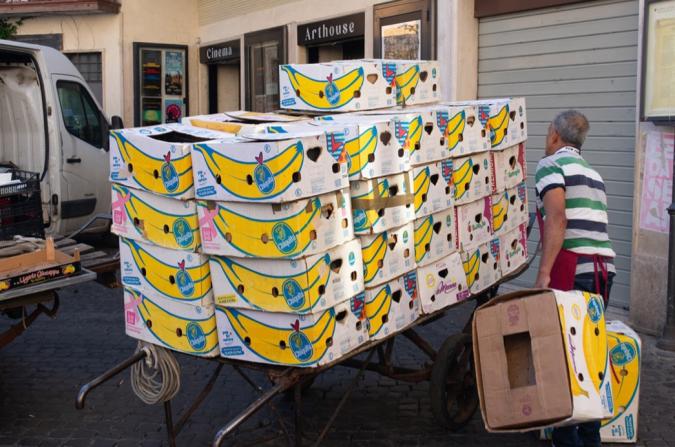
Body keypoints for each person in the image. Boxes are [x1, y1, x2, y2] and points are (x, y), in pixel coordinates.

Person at [534, 110, 616, 447]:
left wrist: (543, 273)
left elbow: (558, 219)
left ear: (554, 134)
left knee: (563, 359)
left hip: (573, 271)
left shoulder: (551, 166)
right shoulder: (594, 175)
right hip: (602, 273)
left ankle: (567, 440)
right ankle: (589, 438)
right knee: (589, 357)